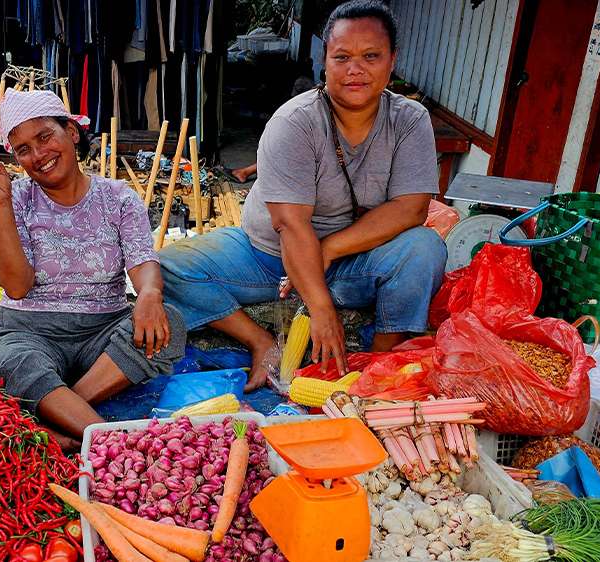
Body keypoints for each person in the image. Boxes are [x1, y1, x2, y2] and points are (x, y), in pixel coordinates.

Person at [159, 0, 446, 391]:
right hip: (267, 259)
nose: (355, 69)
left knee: (424, 247)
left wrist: (329, 250)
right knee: (164, 267)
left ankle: (380, 367)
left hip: (351, 261)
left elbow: (411, 209)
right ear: (324, 60)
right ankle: (260, 342)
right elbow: (289, 224)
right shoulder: (295, 122)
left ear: (392, 60)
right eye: (342, 56)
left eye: (371, 56)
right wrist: (320, 306)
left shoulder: (410, 120)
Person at [0, 89, 186, 449]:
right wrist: (1, 203)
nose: (38, 155)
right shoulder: (13, 198)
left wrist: (150, 293)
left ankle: (63, 411)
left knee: (170, 325)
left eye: (44, 137)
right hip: (30, 333)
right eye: (23, 150)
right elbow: (17, 287)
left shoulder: (117, 197)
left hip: (101, 333)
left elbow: (141, 261)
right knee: (11, 361)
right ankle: (114, 444)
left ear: (71, 132)